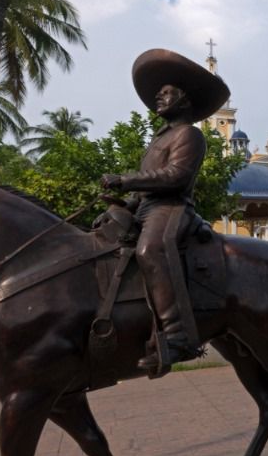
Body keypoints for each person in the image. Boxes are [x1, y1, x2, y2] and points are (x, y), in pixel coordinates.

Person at [99, 49, 230, 371]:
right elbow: (145, 188)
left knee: (150, 250)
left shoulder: (189, 135)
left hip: (171, 207)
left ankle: (176, 336)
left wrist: (126, 180)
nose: (159, 97)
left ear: (184, 100)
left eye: (167, 92)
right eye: (159, 93)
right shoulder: (159, 139)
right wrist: (124, 202)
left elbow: (175, 176)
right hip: (147, 206)